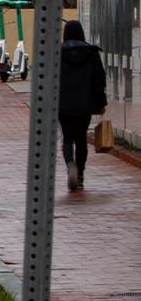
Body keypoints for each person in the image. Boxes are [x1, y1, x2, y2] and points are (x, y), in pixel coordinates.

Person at [58, 18, 109, 192]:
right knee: (81, 139)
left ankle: (70, 165)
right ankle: (80, 175)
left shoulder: (58, 53)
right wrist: (101, 103)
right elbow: (99, 81)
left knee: (67, 137)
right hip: (84, 105)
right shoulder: (92, 53)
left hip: (63, 104)